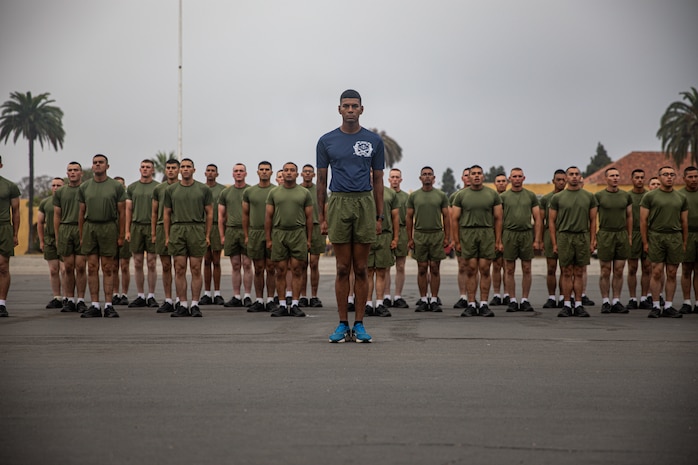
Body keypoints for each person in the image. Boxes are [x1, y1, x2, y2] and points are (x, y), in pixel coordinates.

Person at [317, 89, 384, 343]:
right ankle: (342, 323)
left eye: (355, 106)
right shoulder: (326, 141)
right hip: (339, 202)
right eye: (346, 106)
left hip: (364, 202)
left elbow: (378, 179)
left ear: (362, 109)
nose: (351, 110)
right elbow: (321, 180)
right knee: (343, 267)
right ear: (339, 109)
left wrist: (379, 216)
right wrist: (323, 216)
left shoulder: (374, 141)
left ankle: (360, 324)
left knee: (362, 268)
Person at [78, 154, 126, 318]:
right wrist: (81, 234)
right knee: (91, 267)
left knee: (108, 267)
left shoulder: (116, 186)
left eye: (101, 163)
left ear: (107, 166)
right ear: (92, 166)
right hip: (90, 227)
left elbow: (122, 212)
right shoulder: (84, 187)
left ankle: (109, 305)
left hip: (108, 227)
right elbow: (81, 212)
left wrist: (121, 235)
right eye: (95, 163)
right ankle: (95, 305)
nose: (97, 165)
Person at [164, 158, 213, 317]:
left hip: (196, 229)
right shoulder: (171, 190)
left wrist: (206, 234)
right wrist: (167, 235)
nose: (185, 169)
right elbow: (166, 214)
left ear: (194, 169)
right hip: (178, 229)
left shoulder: (203, 189)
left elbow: (210, 213)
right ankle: (183, 304)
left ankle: (195, 304)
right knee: (179, 269)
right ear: (179, 170)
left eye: (188, 167)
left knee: (196, 268)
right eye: (183, 167)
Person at [451, 165, 502, 317]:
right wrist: (457, 240)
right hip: (468, 233)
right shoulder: (460, 195)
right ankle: (472, 303)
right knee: (470, 269)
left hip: (486, 232)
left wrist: (498, 240)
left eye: (479, 173)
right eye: (473, 174)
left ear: (483, 176)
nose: (477, 176)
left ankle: (484, 304)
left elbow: (499, 218)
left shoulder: (492, 195)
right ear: (469, 176)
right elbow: (454, 219)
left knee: (485, 269)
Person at [265, 162, 313, 317]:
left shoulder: (304, 193)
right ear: (282, 173)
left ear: (297, 174)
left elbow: (309, 217)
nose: (289, 173)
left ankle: (295, 304)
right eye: (286, 170)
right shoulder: (274, 192)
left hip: (298, 233)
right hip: (279, 233)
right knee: (280, 270)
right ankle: (281, 304)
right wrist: (268, 238)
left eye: (292, 170)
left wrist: (309, 238)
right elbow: (268, 217)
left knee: (297, 269)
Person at [549, 166, 597, 318]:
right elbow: (551, 221)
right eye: (571, 174)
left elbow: (593, 220)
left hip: (582, 236)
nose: (574, 177)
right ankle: (567, 305)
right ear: (567, 177)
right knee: (566, 272)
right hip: (565, 236)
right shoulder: (557, 198)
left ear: (580, 177)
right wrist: (555, 243)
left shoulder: (589, 196)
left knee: (579, 272)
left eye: (577, 174)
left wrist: (592, 240)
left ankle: (578, 304)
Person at [640, 166, 687, 318]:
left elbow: (684, 222)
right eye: (666, 174)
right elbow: (643, 221)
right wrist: (645, 242)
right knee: (657, 272)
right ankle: (655, 305)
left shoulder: (681, 198)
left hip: (674, 237)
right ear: (659, 177)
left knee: (672, 273)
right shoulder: (650, 197)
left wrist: (684, 242)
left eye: (672, 174)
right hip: (656, 236)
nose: (669, 177)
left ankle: (668, 305)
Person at [406, 166, 450, 313]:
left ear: (434, 178)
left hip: (436, 234)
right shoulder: (414, 196)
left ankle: (435, 299)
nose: (427, 177)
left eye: (430, 174)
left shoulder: (441, 195)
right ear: (420, 178)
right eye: (424, 174)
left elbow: (446, 216)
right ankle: (424, 299)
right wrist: (410, 238)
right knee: (422, 268)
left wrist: (447, 237)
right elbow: (409, 217)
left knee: (435, 268)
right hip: (420, 235)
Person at [500, 168, 541, 312]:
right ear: (509, 179)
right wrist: (499, 240)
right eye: (514, 176)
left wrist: (537, 239)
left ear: (524, 178)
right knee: (509, 269)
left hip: (526, 234)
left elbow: (537, 218)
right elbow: (498, 219)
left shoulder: (531, 196)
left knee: (527, 268)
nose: (517, 179)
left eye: (519, 176)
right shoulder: (503, 197)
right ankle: (511, 299)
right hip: (509, 234)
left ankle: (524, 299)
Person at [594, 167, 632, 314]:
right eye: (612, 176)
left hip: (621, 234)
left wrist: (629, 236)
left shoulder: (625, 196)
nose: (615, 178)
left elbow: (629, 217)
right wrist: (594, 237)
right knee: (605, 270)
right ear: (606, 178)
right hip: (605, 234)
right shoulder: (599, 196)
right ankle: (605, 301)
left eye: (617, 175)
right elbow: (592, 218)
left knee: (619, 270)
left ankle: (616, 300)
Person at [242, 161, 278, 312]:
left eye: (267, 170)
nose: (264, 172)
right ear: (257, 172)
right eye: (261, 169)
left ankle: (270, 299)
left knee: (271, 267)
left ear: (271, 172)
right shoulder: (249, 192)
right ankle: (258, 299)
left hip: (273, 233)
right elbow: (245, 214)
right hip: (255, 232)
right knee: (258, 268)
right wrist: (246, 235)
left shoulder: (277, 191)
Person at [54, 161, 88, 313]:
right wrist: (57, 235)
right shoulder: (61, 192)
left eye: (76, 170)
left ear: (81, 173)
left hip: (82, 229)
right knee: (68, 267)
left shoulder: (86, 189)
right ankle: (69, 299)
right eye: (70, 170)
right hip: (65, 228)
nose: (73, 172)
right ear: (66, 173)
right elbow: (56, 215)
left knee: (81, 266)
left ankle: (80, 299)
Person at [218, 163, 253, 307]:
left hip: (247, 231)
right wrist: (222, 236)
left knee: (247, 264)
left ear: (245, 173)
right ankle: (236, 296)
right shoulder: (226, 193)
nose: (238, 173)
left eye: (241, 171)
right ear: (232, 174)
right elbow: (221, 216)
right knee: (235, 264)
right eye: (236, 171)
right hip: (231, 231)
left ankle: (248, 296)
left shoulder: (251, 191)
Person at [124, 160, 159, 308]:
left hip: (152, 227)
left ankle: (151, 295)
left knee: (151, 262)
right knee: (137, 262)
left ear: (153, 170)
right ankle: (140, 295)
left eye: (148, 167)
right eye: (143, 167)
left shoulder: (158, 187)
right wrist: (127, 229)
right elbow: (128, 210)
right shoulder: (132, 188)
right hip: (136, 227)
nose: (145, 169)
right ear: (140, 169)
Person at [366, 179, 400, 317]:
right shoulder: (362, 192)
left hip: (384, 235)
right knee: (367, 272)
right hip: (366, 236)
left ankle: (380, 303)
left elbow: (395, 217)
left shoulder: (390, 194)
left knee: (381, 271)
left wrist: (396, 238)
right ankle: (367, 303)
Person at [151, 158, 180, 313]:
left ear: (179, 170)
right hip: (162, 227)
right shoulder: (159, 189)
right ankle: (168, 299)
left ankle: (181, 300)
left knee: (179, 266)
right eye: (168, 168)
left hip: (179, 227)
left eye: (173, 168)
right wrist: (154, 233)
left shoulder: (184, 186)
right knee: (166, 266)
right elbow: (154, 212)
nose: (170, 170)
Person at [539, 169, 567, 308]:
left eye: (563, 179)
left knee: (565, 268)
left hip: (565, 235)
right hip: (550, 234)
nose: (561, 182)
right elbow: (541, 220)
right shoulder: (546, 199)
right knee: (551, 268)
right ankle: (551, 297)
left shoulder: (569, 197)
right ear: (553, 181)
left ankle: (563, 296)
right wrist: (539, 240)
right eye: (558, 180)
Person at [199, 164, 226, 306]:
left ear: (217, 174)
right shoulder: (200, 189)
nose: (210, 173)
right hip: (202, 226)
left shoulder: (222, 190)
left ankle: (217, 293)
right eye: (208, 171)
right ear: (204, 173)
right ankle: (206, 293)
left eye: (213, 171)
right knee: (206, 260)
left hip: (216, 226)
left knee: (216, 260)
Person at [299, 164, 324, 308]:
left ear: (314, 175)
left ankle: (314, 296)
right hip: (300, 228)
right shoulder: (298, 190)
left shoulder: (319, 190)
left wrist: (325, 224)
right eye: (305, 172)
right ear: (301, 174)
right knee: (301, 264)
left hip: (316, 228)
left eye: (310, 172)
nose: (307, 174)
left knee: (314, 263)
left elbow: (326, 208)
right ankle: (302, 295)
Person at [38, 177, 65, 309]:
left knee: (66, 270)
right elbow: (40, 222)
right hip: (50, 239)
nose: (55, 187)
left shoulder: (68, 200)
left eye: (59, 185)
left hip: (65, 237)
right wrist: (42, 240)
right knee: (54, 270)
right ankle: (57, 297)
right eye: (53, 185)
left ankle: (68, 297)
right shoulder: (45, 202)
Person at [626, 168, 651, 309]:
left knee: (647, 267)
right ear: (632, 179)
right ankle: (632, 298)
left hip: (648, 234)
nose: (640, 180)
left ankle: (644, 297)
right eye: (637, 177)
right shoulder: (627, 196)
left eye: (642, 177)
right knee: (632, 268)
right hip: (633, 233)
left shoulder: (650, 195)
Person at [385, 168, 409, 308]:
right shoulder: (385, 195)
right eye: (392, 177)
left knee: (400, 266)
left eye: (397, 177)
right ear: (388, 179)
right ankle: (387, 295)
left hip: (402, 230)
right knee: (386, 266)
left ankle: (398, 295)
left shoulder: (406, 197)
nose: (394, 179)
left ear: (401, 179)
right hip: (387, 232)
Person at [0, 156, 21, 317]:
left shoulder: (9, 186)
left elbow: (16, 211)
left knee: (3, 266)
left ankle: (1, 304)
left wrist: (15, 234)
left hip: (4, 228)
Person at [451, 167, 471, 309]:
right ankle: (463, 296)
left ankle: (473, 296)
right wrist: (454, 239)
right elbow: (453, 220)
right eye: (466, 175)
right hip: (462, 235)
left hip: (476, 235)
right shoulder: (456, 196)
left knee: (475, 267)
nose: (469, 177)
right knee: (462, 266)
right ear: (462, 178)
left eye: (471, 175)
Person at [680, 166, 698, 314]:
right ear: (684, 178)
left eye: (696, 177)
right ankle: (686, 301)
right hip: (686, 235)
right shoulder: (679, 195)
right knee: (686, 269)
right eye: (690, 177)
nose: (694, 180)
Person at [489, 172, 509, 306]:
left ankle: (507, 294)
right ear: (494, 183)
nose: (501, 183)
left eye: (503, 181)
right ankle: (496, 294)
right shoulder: (491, 197)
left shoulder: (511, 196)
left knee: (508, 266)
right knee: (496, 265)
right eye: (498, 181)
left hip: (509, 234)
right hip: (493, 233)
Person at [112, 176, 132, 306]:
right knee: (113, 266)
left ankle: (124, 293)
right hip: (112, 233)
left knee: (125, 266)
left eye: (121, 184)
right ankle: (115, 293)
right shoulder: (110, 199)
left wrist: (127, 232)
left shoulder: (127, 200)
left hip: (125, 234)